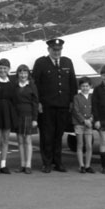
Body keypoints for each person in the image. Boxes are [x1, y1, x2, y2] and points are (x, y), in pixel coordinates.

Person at [32, 37, 77, 172]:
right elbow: (35, 85)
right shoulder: (41, 63)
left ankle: (58, 162)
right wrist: (38, 103)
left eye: (59, 50)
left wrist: (71, 102)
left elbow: (72, 84)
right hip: (46, 107)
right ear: (49, 49)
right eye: (54, 50)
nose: (57, 52)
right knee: (46, 135)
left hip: (63, 105)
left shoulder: (67, 62)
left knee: (58, 135)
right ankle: (46, 163)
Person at [0, 58, 16, 174]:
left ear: (9, 69)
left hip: (7, 111)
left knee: (5, 140)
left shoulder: (11, 82)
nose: (2, 70)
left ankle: (3, 164)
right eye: (0, 68)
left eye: (5, 68)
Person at [13, 63, 38, 174]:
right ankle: (22, 164)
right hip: (18, 115)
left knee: (27, 140)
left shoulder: (32, 86)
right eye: (21, 72)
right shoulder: (15, 86)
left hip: (29, 115)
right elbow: (12, 102)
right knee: (20, 141)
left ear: (28, 74)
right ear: (18, 74)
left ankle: (28, 165)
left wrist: (35, 119)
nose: (23, 75)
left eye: (25, 73)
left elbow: (35, 103)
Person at [71, 77, 95, 173]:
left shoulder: (92, 97)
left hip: (89, 123)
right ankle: (81, 165)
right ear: (80, 87)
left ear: (90, 86)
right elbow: (76, 111)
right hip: (79, 124)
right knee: (80, 144)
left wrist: (91, 119)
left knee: (89, 145)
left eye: (87, 86)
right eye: (83, 86)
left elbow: (95, 110)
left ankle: (88, 165)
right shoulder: (76, 97)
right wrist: (84, 120)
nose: (85, 88)